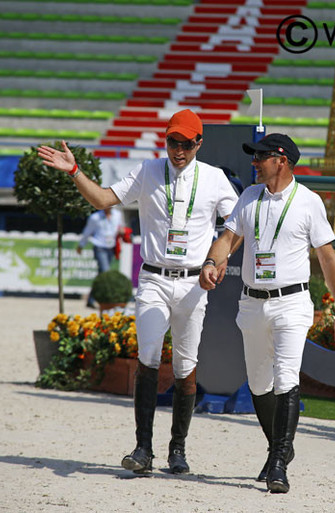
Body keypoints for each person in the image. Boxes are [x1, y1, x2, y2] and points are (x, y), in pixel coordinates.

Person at [37, 109, 238, 475]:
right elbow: (101, 200)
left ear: (199, 143)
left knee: (185, 367)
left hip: (194, 284)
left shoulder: (214, 178)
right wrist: (74, 172)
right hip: (154, 280)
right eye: (172, 141)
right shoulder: (148, 171)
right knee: (147, 356)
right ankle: (143, 448)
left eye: (186, 144)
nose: (178, 150)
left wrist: (217, 260)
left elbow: (236, 226)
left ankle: (177, 449)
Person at [199, 133, 335, 494]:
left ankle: (279, 462)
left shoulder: (309, 202)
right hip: (252, 302)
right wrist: (211, 261)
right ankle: (280, 446)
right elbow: (228, 239)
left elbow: (328, 258)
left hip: (291, 303)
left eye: (260, 157)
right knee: (258, 384)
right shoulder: (249, 197)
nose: (254, 162)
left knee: (285, 379)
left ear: (281, 160)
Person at [77, 207, 125, 307]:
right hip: (99, 247)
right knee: (105, 272)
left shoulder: (118, 214)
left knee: (101, 275)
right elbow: (87, 232)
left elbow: (121, 227)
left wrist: (122, 232)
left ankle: (90, 300)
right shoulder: (94, 217)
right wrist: (81, 245)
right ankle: (108, 299)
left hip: (111, 247)